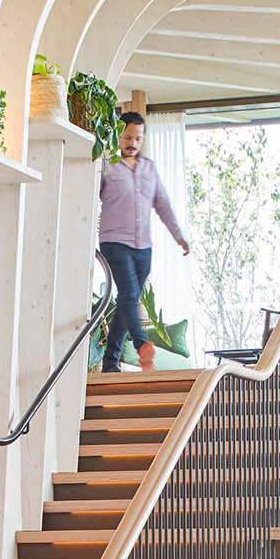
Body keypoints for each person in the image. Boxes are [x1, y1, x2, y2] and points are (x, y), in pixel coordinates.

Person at [97, 111, 190, 373]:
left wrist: (179, 236)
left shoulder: (149, 168)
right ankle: (142, 346)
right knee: (129, 295)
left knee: (127, 300)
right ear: (118, 135)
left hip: (143, 247)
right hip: (114, 242)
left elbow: (163, 204)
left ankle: (110, 363)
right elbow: (88, 194)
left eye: (138, 138)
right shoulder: (107, 165)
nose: (133, 143)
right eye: (128, 137)